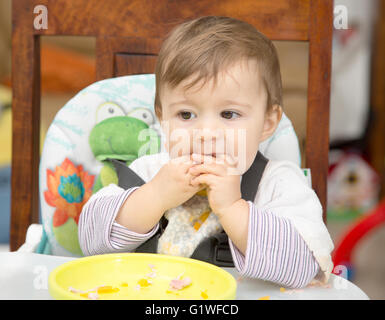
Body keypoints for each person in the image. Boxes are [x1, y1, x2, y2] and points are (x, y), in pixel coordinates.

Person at [79, 16, 334, 289]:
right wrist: (154, 196)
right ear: (163, 119)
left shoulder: (279, 184)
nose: (206, 133)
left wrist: (233, 210)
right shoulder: (150, 172)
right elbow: (90, 241)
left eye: (229, 113)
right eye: (186, 114)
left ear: (267, 123)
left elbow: (306, 267)